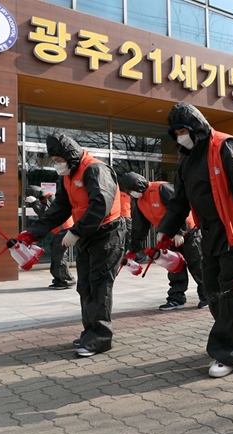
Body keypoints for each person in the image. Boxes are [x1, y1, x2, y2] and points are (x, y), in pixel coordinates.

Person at [157, 102, 233, 378]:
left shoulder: (226, 146)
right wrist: (166, 229)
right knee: (214, 290)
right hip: (209, 235)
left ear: (197, 128)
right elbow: (179, 201)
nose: (181, 136)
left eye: (184, 130)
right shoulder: (186, 160)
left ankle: (229, 352)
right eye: (177, 132)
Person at [18, 134, 125, 358]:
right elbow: (60, 208)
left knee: (99, 285)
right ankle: (91, 331)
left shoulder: (95, 170)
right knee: (84, 285)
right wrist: (33, 233)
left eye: (59, 159)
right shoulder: (67, 176)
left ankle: (101, 337)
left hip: (107, 233)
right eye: (53, 160)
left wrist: (76, 231)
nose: (56, 164)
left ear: (71, 156)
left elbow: (100, 205)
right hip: (88, 234)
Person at [119, 171, 207, 310]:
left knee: (197, 265)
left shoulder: (161, 189)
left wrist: (179, 231)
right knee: (174, 267)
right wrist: (133, 248)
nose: (131, 193)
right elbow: (139, 228)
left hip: (189, 233)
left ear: (137, 185)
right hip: (169, 237)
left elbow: (179, 207)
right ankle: (176, 298)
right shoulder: (140, 202)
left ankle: (207, 296)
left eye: (131, 190)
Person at [24, 185, 76, 290]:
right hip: (60, 231)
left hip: (64, 230)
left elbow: (46, 214)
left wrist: (35, 203)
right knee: (55, 252)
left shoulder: (51, 198)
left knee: (59, 255)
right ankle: (59, 279)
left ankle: (66, 280)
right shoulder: (45, 200)